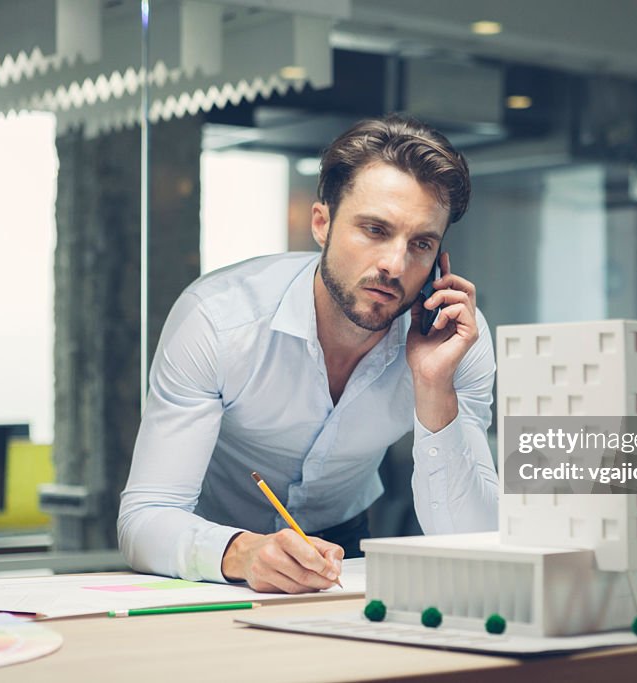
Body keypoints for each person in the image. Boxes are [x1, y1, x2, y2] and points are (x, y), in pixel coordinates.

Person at [118, 114, 498, 594]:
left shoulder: (456, 342)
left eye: (420, 243)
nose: (394, 265)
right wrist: (241, 551)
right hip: (213, 549)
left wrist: (433, 386)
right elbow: (145, 518)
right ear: (322, 223)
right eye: (375, 230)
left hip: (346, 540)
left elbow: (473, 541)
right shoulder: (218, 320)